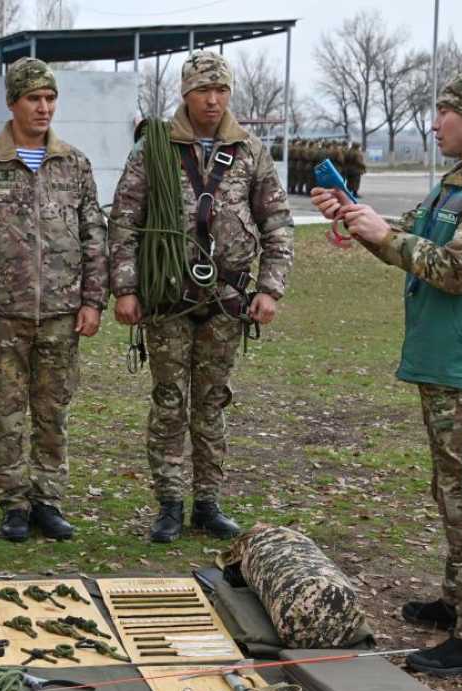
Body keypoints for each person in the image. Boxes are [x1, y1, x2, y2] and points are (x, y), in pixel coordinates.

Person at [311, 69, 462, 677]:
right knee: (451, 490)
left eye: (442, 113)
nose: (433, 125)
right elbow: (405, 237)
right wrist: (357, 219)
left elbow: (458, 269)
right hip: (443, 361)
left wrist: (385, 233)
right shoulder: (457, 185)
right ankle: (459, 598)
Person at [108, 51, 294, 544]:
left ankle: (208, 502)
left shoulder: (249, 150)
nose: (212, 100)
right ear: (184, 94)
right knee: (170, 401)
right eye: (202, 91)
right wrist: (126, 288)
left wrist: (271, 288)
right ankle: (169, 503)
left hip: (229, 299)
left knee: (211, 402)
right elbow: (124, 221)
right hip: (167, 297)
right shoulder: (154, 149)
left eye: (221, 91)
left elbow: (277, 223)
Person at [0, 58, 108, 543]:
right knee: (5, 413)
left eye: (49, 99)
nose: (44, 108)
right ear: (12, 103)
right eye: (33, 99)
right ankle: (13, 503)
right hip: (3, 316)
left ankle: (48, 500)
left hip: (61, 314)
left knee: (52, 412)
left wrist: (93, 301)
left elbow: (93, 237)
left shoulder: (74, 164)